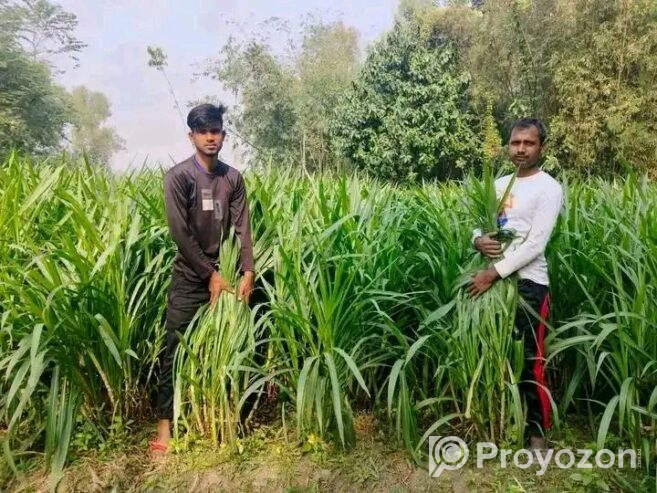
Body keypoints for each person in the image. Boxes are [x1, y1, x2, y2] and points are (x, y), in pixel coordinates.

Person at [149, 103, 255, 456]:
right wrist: (208, 275)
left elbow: (242, 228)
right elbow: (180, 233)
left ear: (223, 134)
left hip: (227, 275)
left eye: (217, 131)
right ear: (191, 135)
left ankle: (226, 420)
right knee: (175, 348)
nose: (211, 137)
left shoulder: (232, 178)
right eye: (203, 131)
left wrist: (247, 272)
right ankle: (165, 429)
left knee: (231, 347)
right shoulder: (178, 178)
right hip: (191, 277)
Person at [468, 118, 563, 452]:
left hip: (528, 285)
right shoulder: (499, 185)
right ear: (508, 146)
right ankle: (505, 420)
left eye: (529, 143)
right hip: (494, 285)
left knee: (530, 359)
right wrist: (478, 241)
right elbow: (479, 227)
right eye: (515, 143)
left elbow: (536, 244)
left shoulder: (548, 188)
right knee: (498, 353)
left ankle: (538, 434)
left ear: (542, 147)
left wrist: (493, 273)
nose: (521, 149)